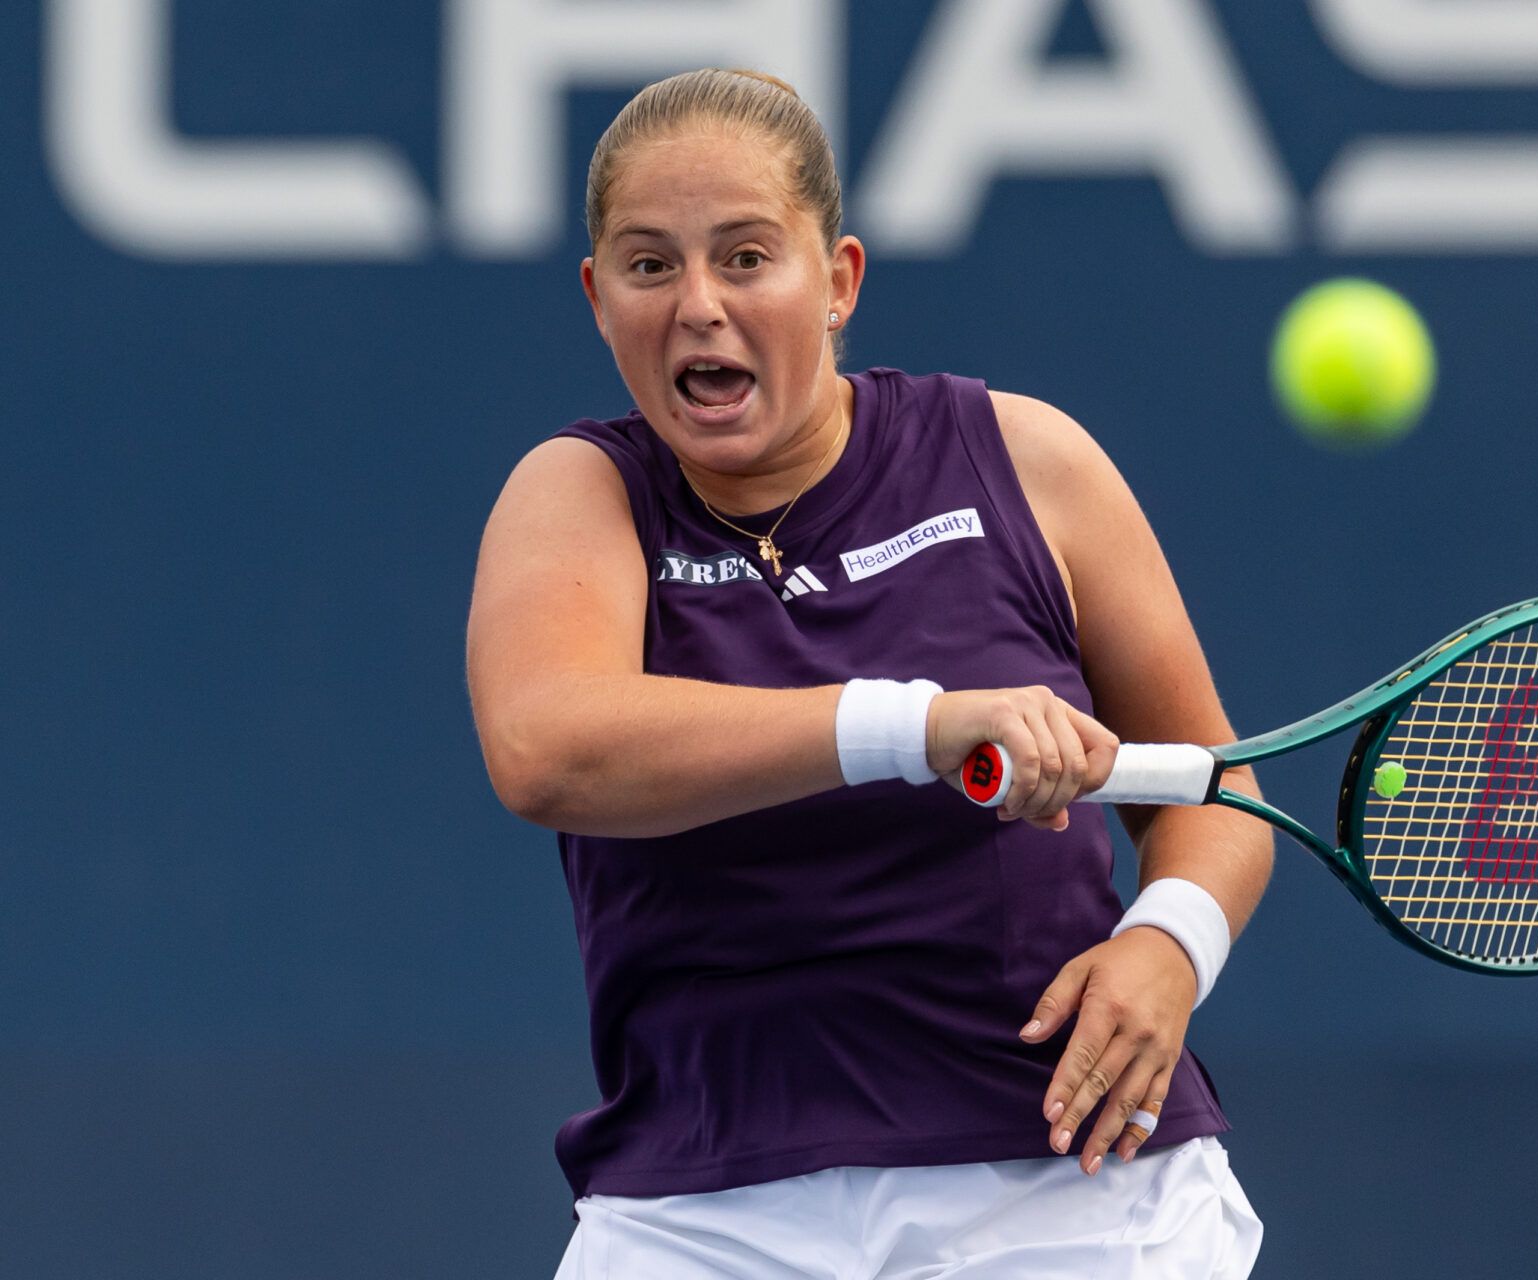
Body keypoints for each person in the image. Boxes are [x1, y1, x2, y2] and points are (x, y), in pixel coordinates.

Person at [466, 68, 1273, 1277]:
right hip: (699, 1204)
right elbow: (549, 747)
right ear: (597, 297)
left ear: (837, 280)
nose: (698, 305)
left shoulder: (1026, 458)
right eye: (649, 265)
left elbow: (1214, 790)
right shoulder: (579, 494)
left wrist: (1168, 943)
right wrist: (916, 726)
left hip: (1064, 1183)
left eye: (746, 257)